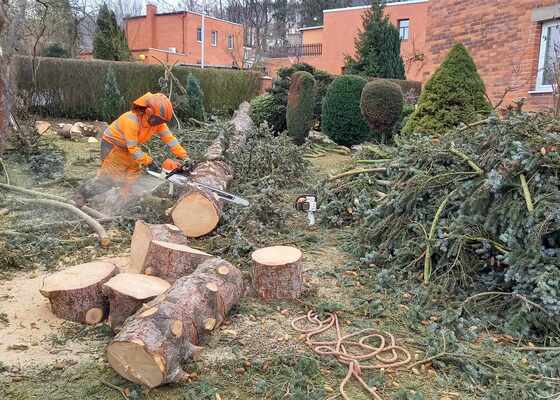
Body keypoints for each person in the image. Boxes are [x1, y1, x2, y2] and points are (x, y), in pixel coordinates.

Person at [74, 92, 188, 206]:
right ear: (148, 112)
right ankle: (81, 194)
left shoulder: (158, 123)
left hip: (127, 147)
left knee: (132, 173)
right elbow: (133, 148)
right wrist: (149, 161)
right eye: (157, 120)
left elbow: (170, 140)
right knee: (110, 178)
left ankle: (122, 199)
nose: (158, 123)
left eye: (161, 121)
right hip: (112, 145)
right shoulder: (132, 120)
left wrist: (185, 157)